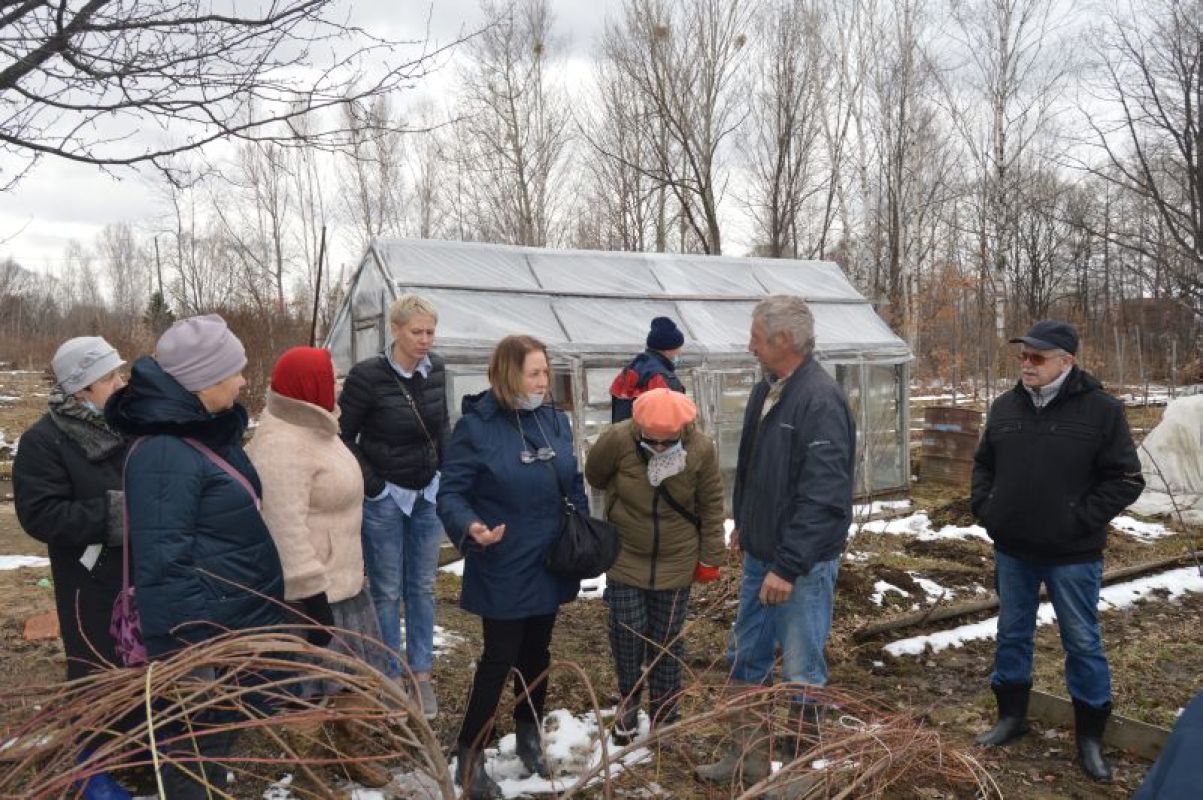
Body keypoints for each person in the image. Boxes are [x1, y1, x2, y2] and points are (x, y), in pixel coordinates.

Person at [106, 314, 285, 799]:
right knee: (192, 753)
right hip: (200, 639)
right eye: (237, 370)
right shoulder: (166, 452)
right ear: (206, 379)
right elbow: (163, 562)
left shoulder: (203, 433)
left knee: (213, 748)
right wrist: (191, 658)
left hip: (225, 624)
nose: (246, 379)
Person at [971, 319, 1144, 782]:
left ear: (1066, 362)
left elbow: (1126, 479)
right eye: (1023, 355)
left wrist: (1078, 518)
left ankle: (1089, 738)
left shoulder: (1101, 411)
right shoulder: (1005, 407)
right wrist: (988, 509)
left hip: (1073, 555)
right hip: (1013, 549)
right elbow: (984, 464)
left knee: (1082, 641)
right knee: (1011, 633)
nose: (1026, 364)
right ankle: (1011, 718)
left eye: (1037, 357)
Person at [696, 295, 855, 791]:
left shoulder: (819, 400)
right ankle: (746, 759)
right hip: (762, 555)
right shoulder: (770, 389)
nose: (750, 346)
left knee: (803, 667)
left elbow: (824, 496)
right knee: (746, 656)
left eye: (756, 337)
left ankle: (801, 771)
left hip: (798, 569)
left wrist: (787, 567)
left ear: (784, 340)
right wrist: (743, 522)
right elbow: (753, 467)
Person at [437, 335, 587, 800]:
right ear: (507, 374)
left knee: (537, 654)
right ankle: (470, 755)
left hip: (549, 559)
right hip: (502, 558)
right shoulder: (477, 428)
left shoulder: (553, 420)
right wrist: (471, 527)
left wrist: (579, 528)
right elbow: (451, 494)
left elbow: (572, 478)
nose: (544, 382)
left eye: (546, 372)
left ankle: (527, 734)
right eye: (534, 374)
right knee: (498, 661)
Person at [245, 346, 392, 790]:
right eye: (331, 376)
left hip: (345, 582)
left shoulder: (319, 426)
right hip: (312, 594)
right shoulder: (280, 444)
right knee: (308, 688)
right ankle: (309, 777)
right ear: (310, 384)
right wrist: (311, 597)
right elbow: (283, 528)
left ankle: (351, 754)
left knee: (351, 679)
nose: (339, 384)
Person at [13, 336, 133, 800]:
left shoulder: (128, 428)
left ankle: (137, 743)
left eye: (119, 373)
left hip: (137, 571)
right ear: (81, 388)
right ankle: (90, 768)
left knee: (137, 655)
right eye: (109, 377)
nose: (120, 383)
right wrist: (113, 515)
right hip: (89, 578)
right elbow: (40, 514)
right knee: (93, 664)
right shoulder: (44, 441)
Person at [585, 387, 726, 745]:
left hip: (677, 558)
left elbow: (711, 505)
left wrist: (711, 557)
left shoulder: (701, 449)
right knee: (627, 632)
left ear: (684, 429)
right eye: (653, 441)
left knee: (666, 641)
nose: (660, 448)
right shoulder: (617, 440)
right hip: (626, 554)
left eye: (668, 442)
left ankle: (666, 712)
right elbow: (594, 475)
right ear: (639, 427)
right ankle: (628, 703)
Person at [338, 294, 449, 718]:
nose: (425, 340)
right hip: (386, 498)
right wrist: (374, 486)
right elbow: (344, 436)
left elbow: (442, 427)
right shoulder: (368, 377)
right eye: (417, 332)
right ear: (396, 330)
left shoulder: (436, 370)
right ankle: (391, 675)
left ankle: (420, 674)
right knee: (386, 589)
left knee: (421, 586)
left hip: (426, 495)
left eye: (430, 332)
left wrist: (445, 474)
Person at [609, 316, 686, 423]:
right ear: (668, 349)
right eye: (679, 347)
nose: (680, 352)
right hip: (654, 438)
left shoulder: (630, 370)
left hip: (625, 436)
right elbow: (670, 421)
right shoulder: (661, 377)